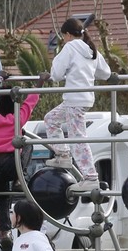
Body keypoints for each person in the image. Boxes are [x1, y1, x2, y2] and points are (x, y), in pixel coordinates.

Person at [41, 17, 113, 191]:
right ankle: (63, 154)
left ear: (67, 34)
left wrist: (61, 70)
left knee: (77, 137)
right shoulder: (90, 48)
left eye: (63, 36)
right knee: (51, 119)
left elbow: (56, 74)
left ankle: (90, 176)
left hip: (74, 99)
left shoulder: (70, 47)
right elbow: (106, 73)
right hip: (83, 98)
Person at [0, 69, 39, 198]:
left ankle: (3, 212)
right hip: (9, 166)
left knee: (2, 196)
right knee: (27, 145)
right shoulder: (16, 119)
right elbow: (29, 103)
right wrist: (39, 83)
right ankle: (19, 178)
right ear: (14, 108)